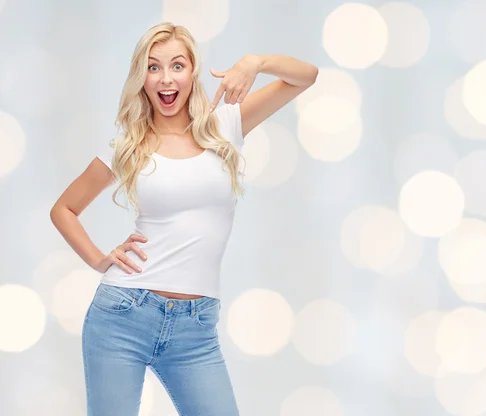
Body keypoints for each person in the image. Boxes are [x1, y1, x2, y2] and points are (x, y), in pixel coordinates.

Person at [49, 22, 318, 415]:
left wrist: (256, 63)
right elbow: (64, 209)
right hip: (124, 314)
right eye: (153, 67)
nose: (165, 78)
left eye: (177, 65)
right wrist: (98, 259)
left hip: (196, 330)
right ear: (141, 78)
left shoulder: (226, 124)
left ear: (192, 71)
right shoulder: (128, 144)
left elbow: (306, 76)